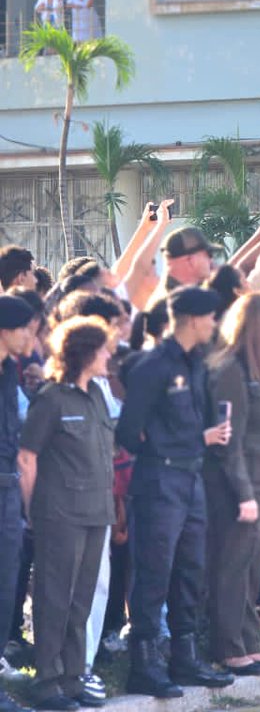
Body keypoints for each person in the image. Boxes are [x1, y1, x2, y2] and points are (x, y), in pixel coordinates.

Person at [116, 286, 234, 697]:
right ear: (192, 319)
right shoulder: (154, 365)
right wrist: (178, 444)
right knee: (154, 572)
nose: (214, 324)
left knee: (190, 569)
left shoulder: (196, 364)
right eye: (211, 318)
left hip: (190, 477)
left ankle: (185, 657)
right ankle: (144, 663)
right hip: (160, 479)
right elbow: (129, 432)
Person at [18, 316, 115, 711]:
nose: (110, 354)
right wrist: (33, 512)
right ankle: (47, 680)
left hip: (96, 511)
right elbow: (28, 458)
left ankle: (73, 676)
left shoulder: (95, 396)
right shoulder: (52, 398)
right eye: (104, 348)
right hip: (60, 514)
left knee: (81, 600)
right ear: (86, 352)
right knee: (54, 598)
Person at [205, 293, 260, 674]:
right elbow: (230, 440)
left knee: (253, 569)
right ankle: (229, 645)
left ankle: (250, 641)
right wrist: (243, 494)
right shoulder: (230, 371)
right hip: (241, 487)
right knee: (233, 568)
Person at [0, 296, 33, 712]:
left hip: (8, 488)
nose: (32, 335)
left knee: (6, 585)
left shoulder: (11, 370)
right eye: (26, 327)